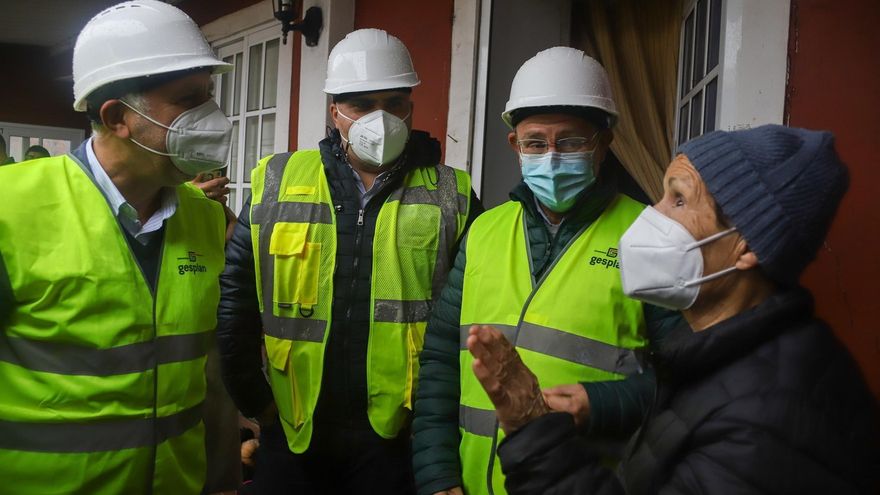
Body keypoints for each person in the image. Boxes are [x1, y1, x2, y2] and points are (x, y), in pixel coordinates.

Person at [469, 125, 880, 494]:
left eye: (679, 200)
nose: (652, 216)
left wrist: (533, 427)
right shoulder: (716, 360)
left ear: (747, 246)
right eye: (663, 194)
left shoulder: (768, 424)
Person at [217, 28, 483, 494]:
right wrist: (257, 404)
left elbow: (467, 320)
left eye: (395, 103)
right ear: (334, 110)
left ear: (411, 106)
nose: (380, 119)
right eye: (362, 104)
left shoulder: (452, 194)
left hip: (397, 437)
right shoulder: (277, 180)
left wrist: (435, 428)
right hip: (294, 429)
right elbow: (237, 305)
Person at [412, 46, 680, 495]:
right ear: (515, 145)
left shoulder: (649, 236)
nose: (552, 157)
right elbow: (441, 359)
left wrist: (600, 403)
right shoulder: (483, 231)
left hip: (585, 483)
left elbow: (686, 378)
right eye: (536, 142)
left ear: (604, 141)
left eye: (571, 141)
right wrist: (437, 475)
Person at [0, 1, 235, 493]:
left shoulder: (206, 219)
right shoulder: (10, 208)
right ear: (117, 117)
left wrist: (222, 479)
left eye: (209, 97)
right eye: (188, 99)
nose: (212, 117)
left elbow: (209, 377)